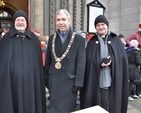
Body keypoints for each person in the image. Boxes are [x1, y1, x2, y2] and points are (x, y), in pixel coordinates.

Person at [80, 15, 129, 113]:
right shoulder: (91, 42)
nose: (101, 27)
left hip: (112, 83)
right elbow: (87, 61)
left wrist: (112, 60)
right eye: (98, 25)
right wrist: (98, 62)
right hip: (96, 83)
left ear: (107, 26)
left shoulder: (116, 40)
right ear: (95, 27)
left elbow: (122, 59)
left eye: (103, 24)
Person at [0, 10, 46, 113]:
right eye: (18, 20)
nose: (20, 22)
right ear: (14, 22)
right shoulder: (5, 40)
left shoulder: (34, 39)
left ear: (26, 22)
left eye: (22, 20)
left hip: (31, 83)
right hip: (11, 83)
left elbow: (37, 64)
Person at [45, 9, 86, 113]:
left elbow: (81, 63)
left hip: (70, 83)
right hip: (54, 83)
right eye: (58, 20)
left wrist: (78, 83)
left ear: (69, 20)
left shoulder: (79, 39)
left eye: (63, 19)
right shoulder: (51, 38)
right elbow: (48, 61)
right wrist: (47, 79)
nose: (61, 22)